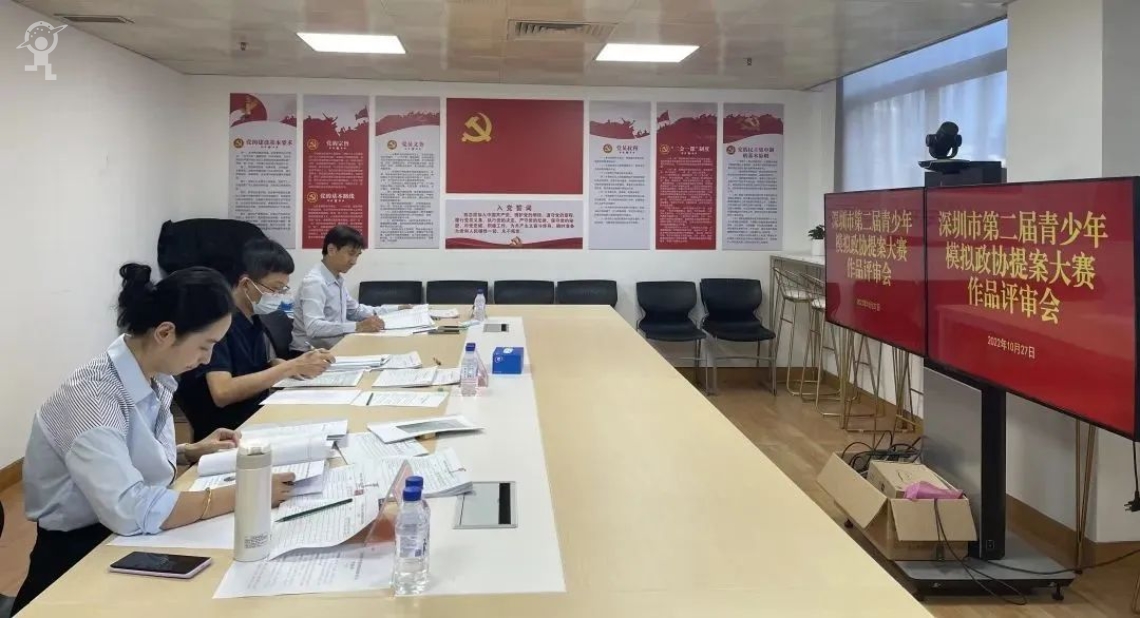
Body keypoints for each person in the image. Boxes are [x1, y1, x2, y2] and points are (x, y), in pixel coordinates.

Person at [14, 264, 294, 614]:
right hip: (77, 559)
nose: (206, 359)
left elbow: (120, 454)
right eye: (205, 346)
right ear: (165, 333)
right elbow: (131, 509)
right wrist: (247, 494)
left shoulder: (152, 373)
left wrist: (186, 451)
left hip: (121, 537)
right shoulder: (92, 398)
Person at [178, 239, 335, 442]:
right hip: (228, 433)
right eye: (275, 289)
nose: (279, 296)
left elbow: (252, 367)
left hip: (257, 415)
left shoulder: (252, 318)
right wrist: (289, 367)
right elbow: (222, 392)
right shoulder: (219, 324)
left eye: (283, 289)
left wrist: (283, 364)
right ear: (246, 284)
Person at [291, 225, 399, 351]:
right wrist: (358, 326)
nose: (354, 261)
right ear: (331, 250)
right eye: (351, 254)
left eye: (357, 255)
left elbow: (355, 311)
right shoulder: (315, 282)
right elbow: (313, 327)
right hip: (308, 354)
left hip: (333, 347)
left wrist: (397, 309)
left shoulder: (336, 279)